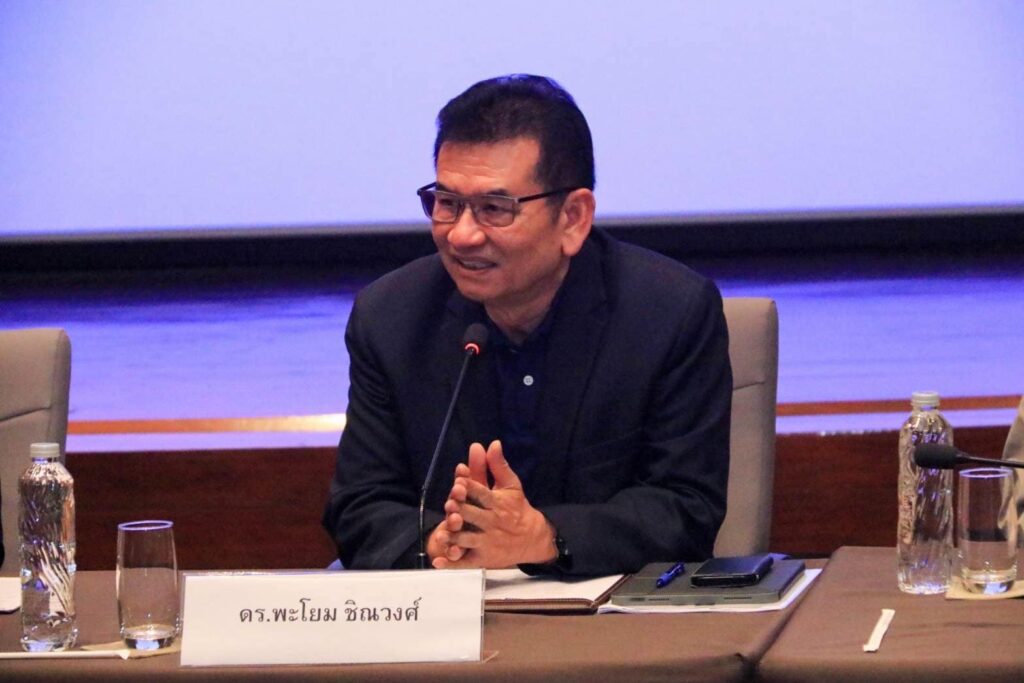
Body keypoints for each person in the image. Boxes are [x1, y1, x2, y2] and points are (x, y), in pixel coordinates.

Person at [322, 74, 732, 576]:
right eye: (447, 203)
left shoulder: (668, 313)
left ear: (573, 218)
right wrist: (437, 543)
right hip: (449, 606)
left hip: (605, 608)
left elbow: (685, 509)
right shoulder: (391, 317)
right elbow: (360, 506)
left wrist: (543, 538)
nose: (462, 235)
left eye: (494, 209)